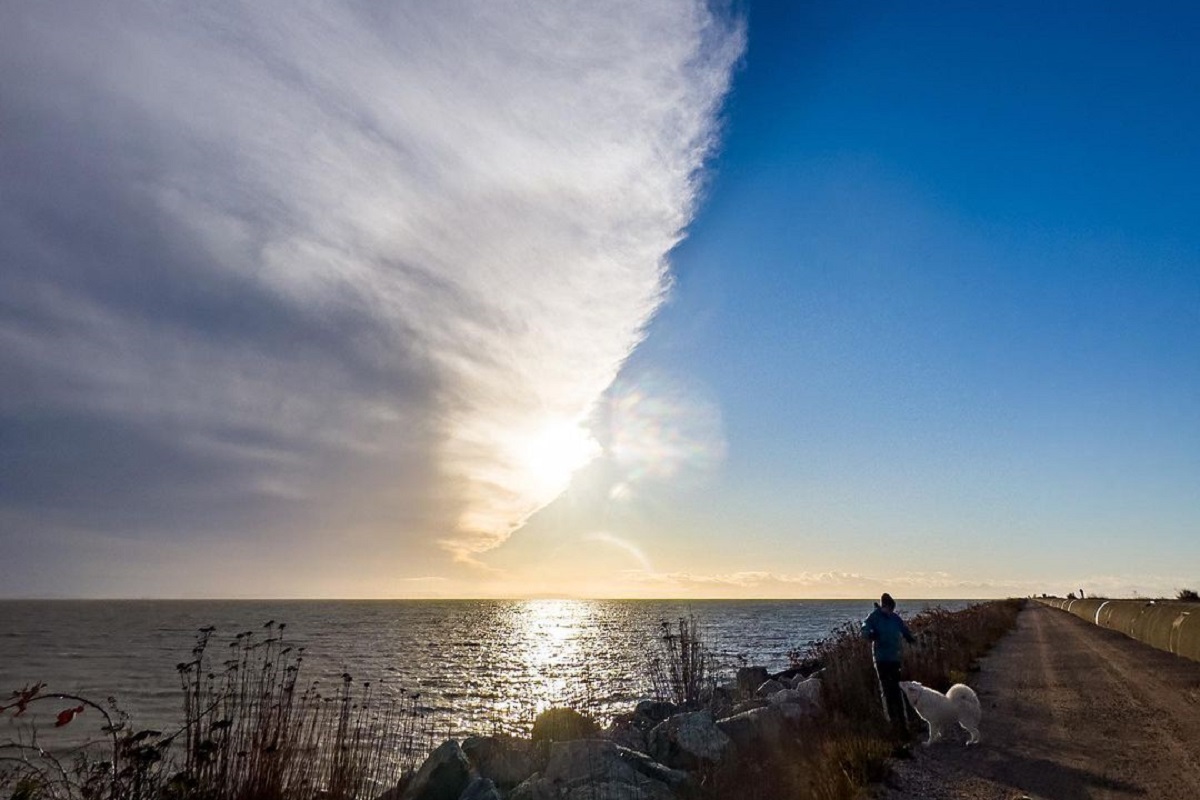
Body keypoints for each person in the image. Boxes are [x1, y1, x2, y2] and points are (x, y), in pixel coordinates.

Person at [861, 592, 917, 738]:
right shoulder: (874, 617)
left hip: (894, 658)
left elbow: (903, 628)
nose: (891, 611)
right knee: (888, 692)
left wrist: (909, 637)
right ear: (883, 606)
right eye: (889, 609)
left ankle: (904, 726)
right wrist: (870, 635)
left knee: (898, 691)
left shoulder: (894, 618)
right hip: (881, 660)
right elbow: (864, 629)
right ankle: (894, 726)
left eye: (892, 609)